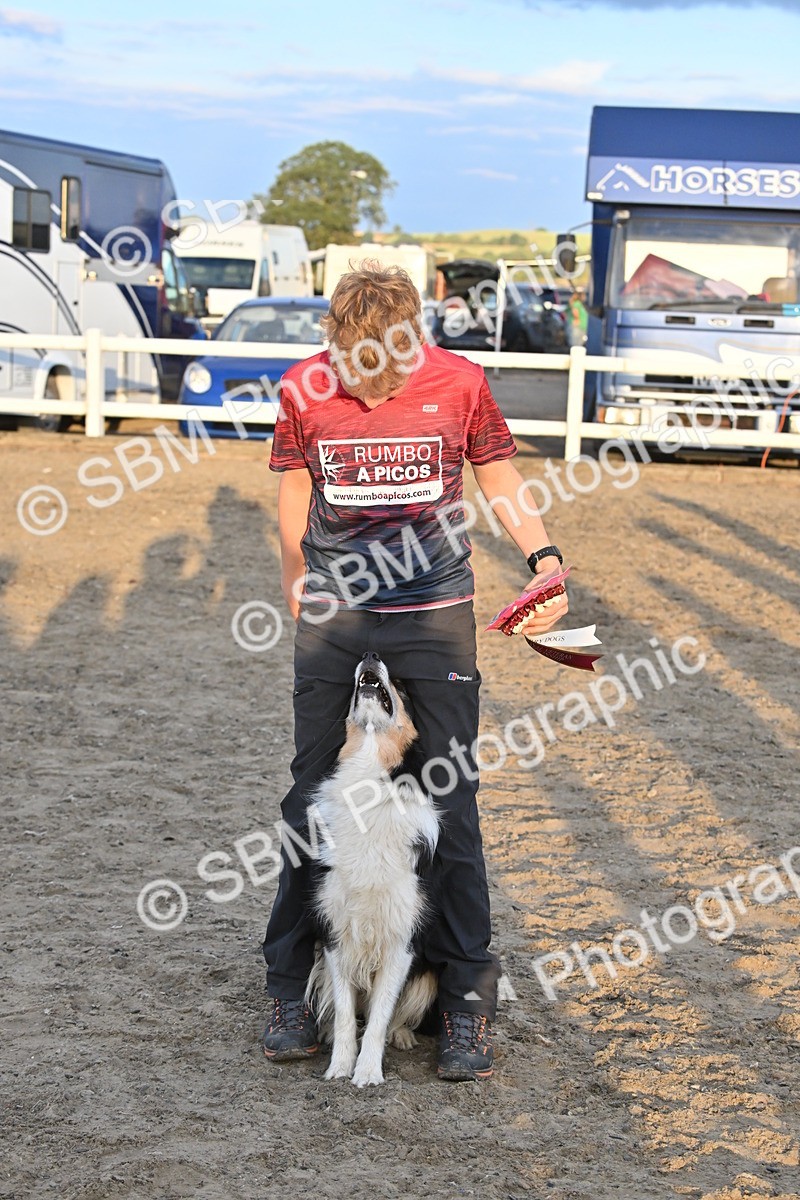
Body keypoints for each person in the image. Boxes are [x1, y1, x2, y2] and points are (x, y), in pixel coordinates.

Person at [261, 264, 568, 1081]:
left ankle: (466, 1002)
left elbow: (497, 470)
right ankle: (289, 988)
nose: (367, 379)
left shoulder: (461, 381)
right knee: (308, 800)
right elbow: (297, 487)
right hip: (336, 614)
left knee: (452, 800)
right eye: (352, 362)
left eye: (385, 364)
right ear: (333, 342)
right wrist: (297, 582)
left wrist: (542, 557)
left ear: (413, 336)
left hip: (435, 613)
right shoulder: (303, 389)